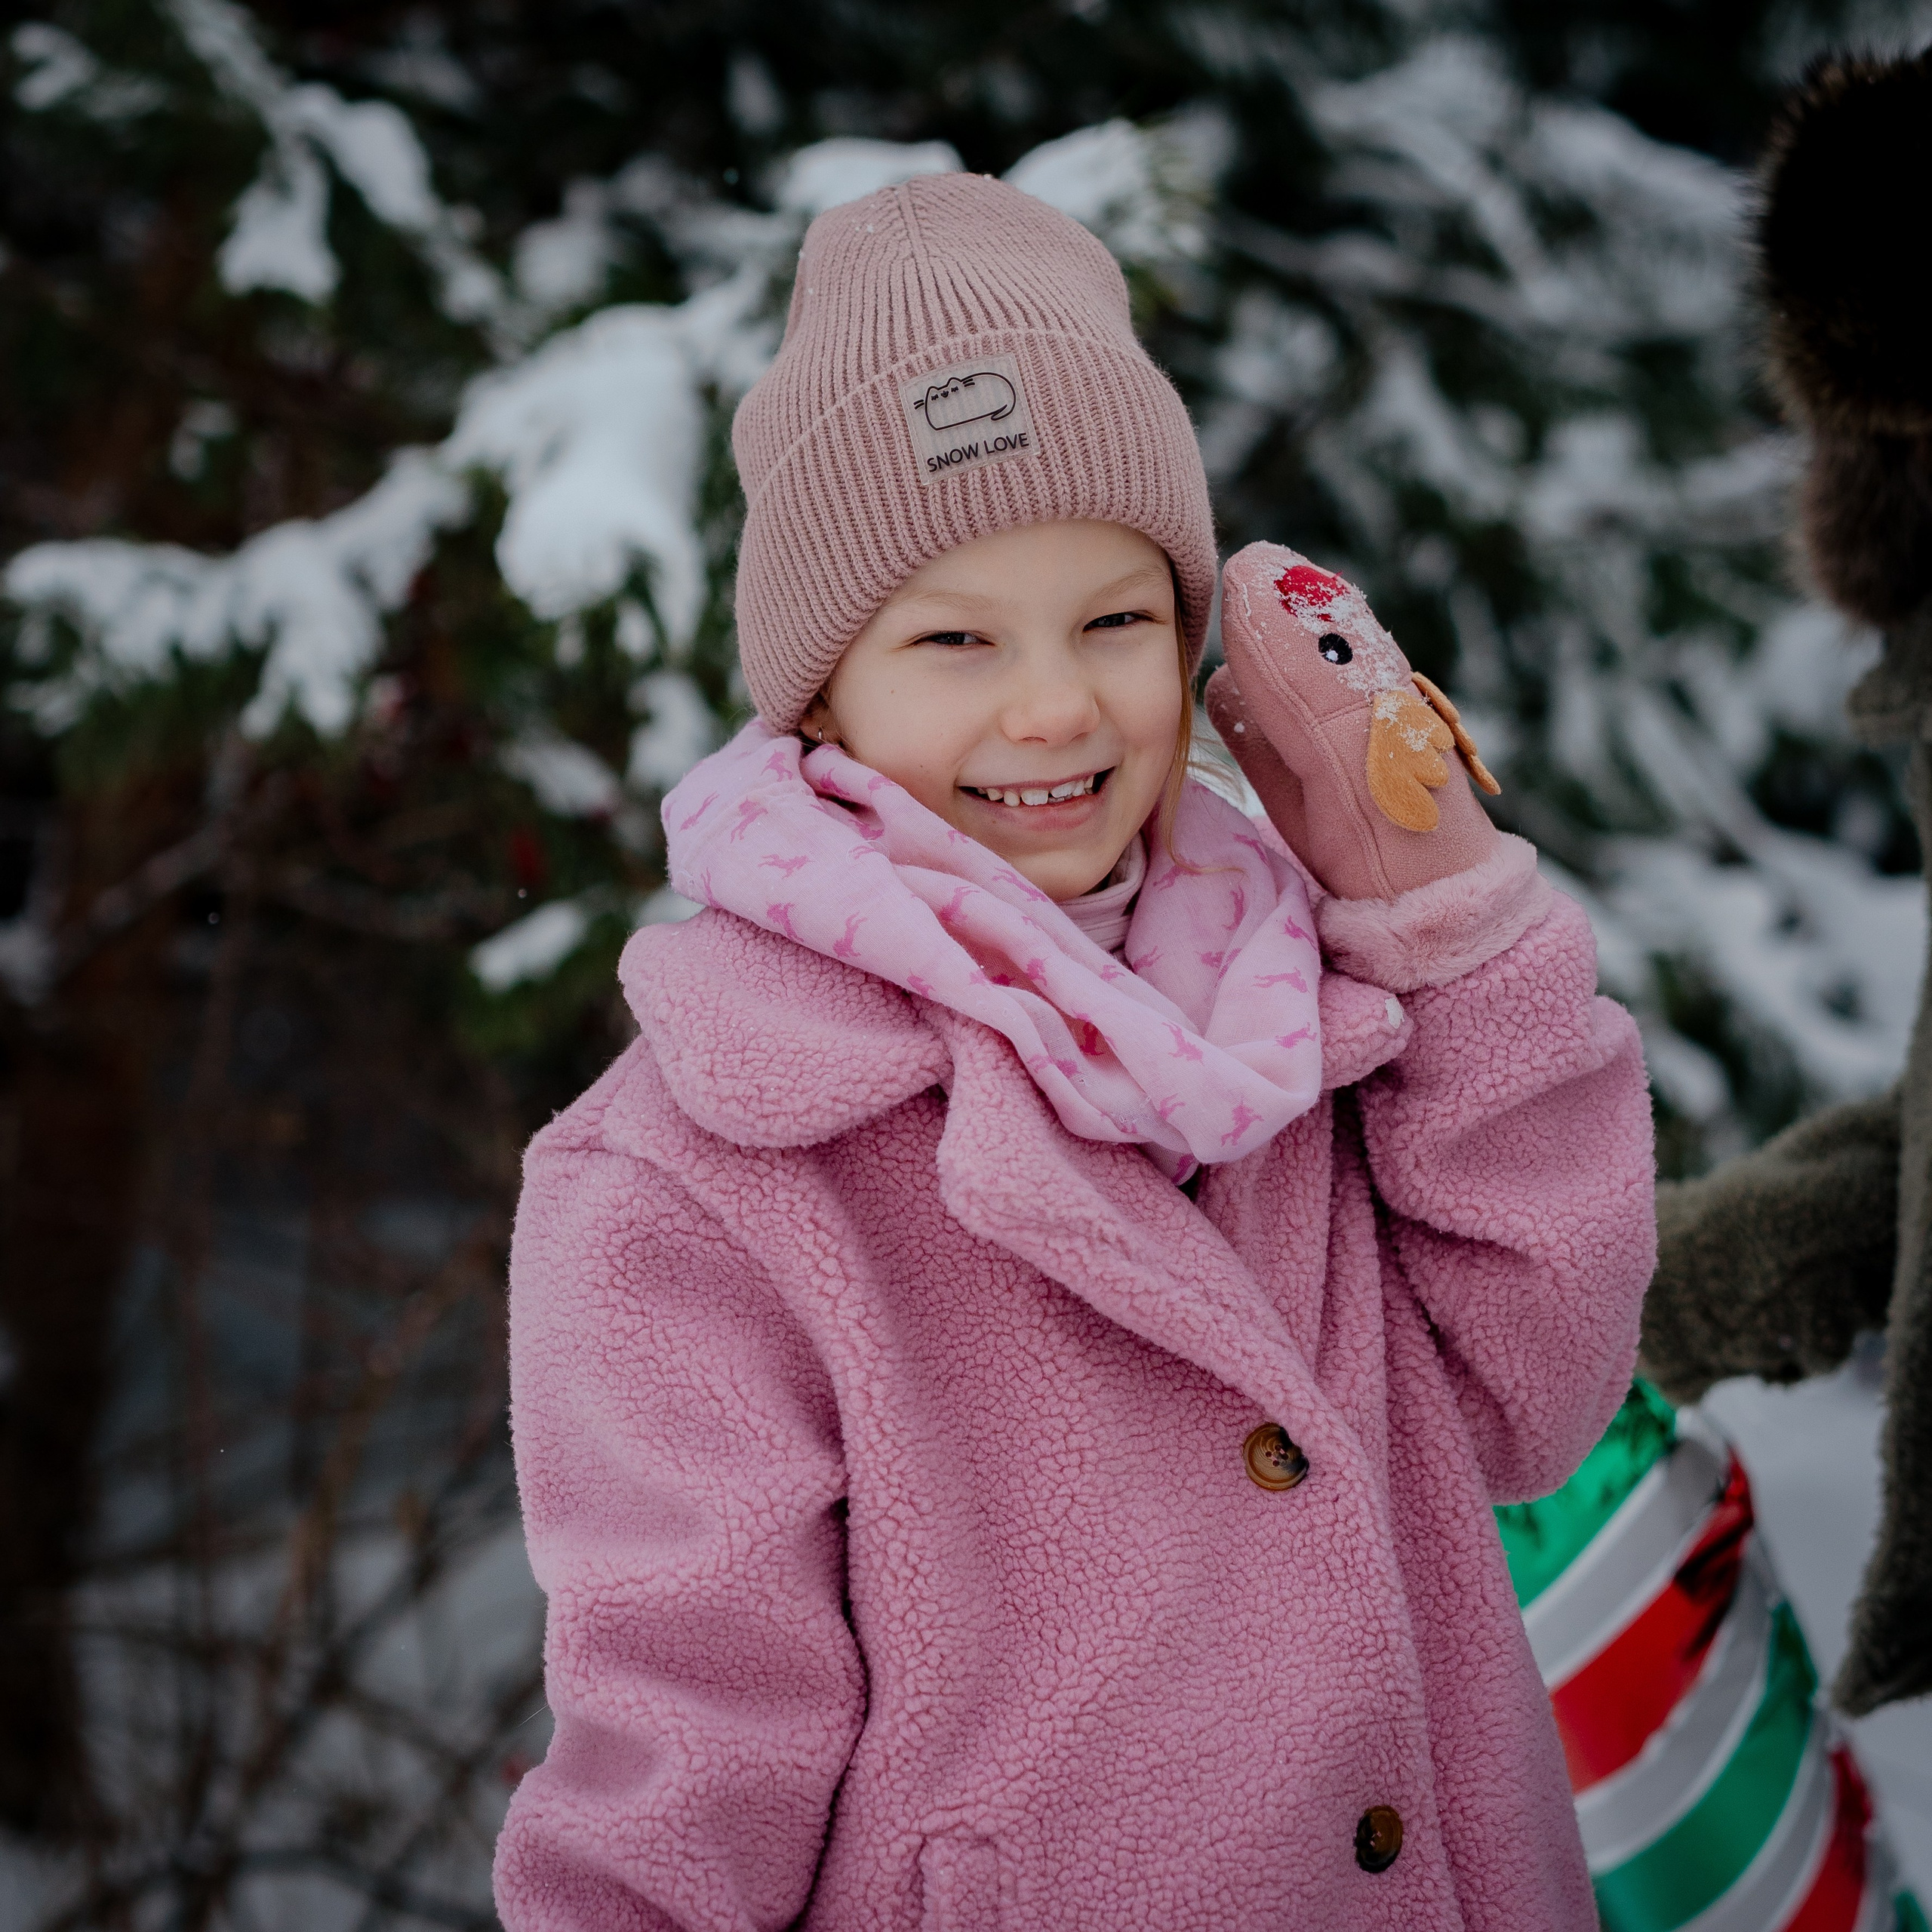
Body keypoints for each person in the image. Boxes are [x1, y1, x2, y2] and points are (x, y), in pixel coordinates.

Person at [491, 172, 1655, 1932]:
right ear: (818, 693)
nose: (1051, 706)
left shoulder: (1304, 1021)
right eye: (953, 638)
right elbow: (683, 1742)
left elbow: (1529, 1388)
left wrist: (1442, 909)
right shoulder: (697, 1168)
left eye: (1113, 622)